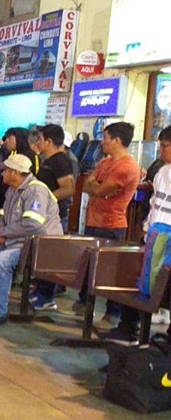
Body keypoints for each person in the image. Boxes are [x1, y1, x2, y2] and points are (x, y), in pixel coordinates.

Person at [0, 154, 62, 325]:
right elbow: (3, 216)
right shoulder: (12, 190)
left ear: (15, 173)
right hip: (14, 241)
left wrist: (4, 232)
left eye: (5, 170)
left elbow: (34, 225)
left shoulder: (36, 191)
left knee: (1, 261)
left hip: (36, 245)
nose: (2, 173)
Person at [67, 123, 139, 330]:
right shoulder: (105, 162)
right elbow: (86, 184)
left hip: (111, 225)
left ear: (116, 140)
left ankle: (112, 313)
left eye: (105, 138)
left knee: (110, 272)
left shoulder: (127, 166)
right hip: (92, 222)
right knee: (88, 266)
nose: (102, 142)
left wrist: (97, 187)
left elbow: (99, 190)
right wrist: (97, 186)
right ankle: (84, 305)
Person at [105, 127, 171, 343]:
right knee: (140, 281)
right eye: (160, 146)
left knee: (160, 285)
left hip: (167, 240)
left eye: (165, 146)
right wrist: (147, 226)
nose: (161, 151)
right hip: (155, 235)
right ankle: (128, 329)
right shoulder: (162, 173)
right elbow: (155, 204)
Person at [26, 124, 77, 311]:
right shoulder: (48, 160)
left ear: (48, 141)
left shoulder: (61, 161)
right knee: (42, 256)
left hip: (54, 218)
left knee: (50, 257)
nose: (37, 143)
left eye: (40, 139)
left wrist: (47, 199)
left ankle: (47, 296)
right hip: (42, 217)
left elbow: (69, 188)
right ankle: (40, 290)